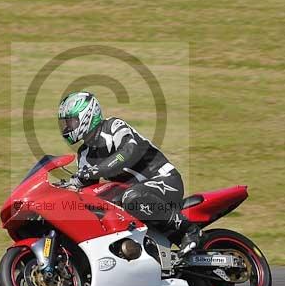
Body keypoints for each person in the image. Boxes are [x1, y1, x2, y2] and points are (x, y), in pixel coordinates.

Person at [57, 91, 200, 253]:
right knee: (102, 206)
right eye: (65, 123)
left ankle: (189, 230)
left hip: (165, 179)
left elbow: (128, 150)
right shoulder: (84, 154)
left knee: (131, 197)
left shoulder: (113, 126)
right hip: (135, 194)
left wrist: (97, 169)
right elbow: (82, 187)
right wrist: (60, 189)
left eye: (71, 121)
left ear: (87, 115)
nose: (68, 127)